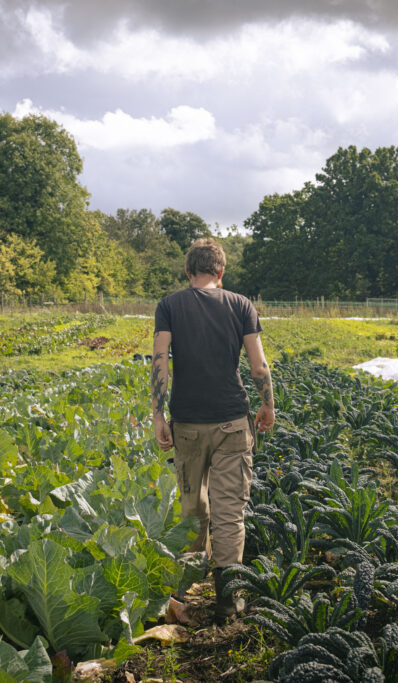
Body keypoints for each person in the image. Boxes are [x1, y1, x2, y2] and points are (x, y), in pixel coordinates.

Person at [151, 237, 275, 624]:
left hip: (186, 423)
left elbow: (159, 361)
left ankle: (185, 589)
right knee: (230, 512)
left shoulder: (169, 306)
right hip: (231, 422)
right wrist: (268, 403)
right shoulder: (241, 305)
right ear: (221, 274)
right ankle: (229, 600)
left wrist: (158, 414)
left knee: (193, 509)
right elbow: (258, 367)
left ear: (188, 272)